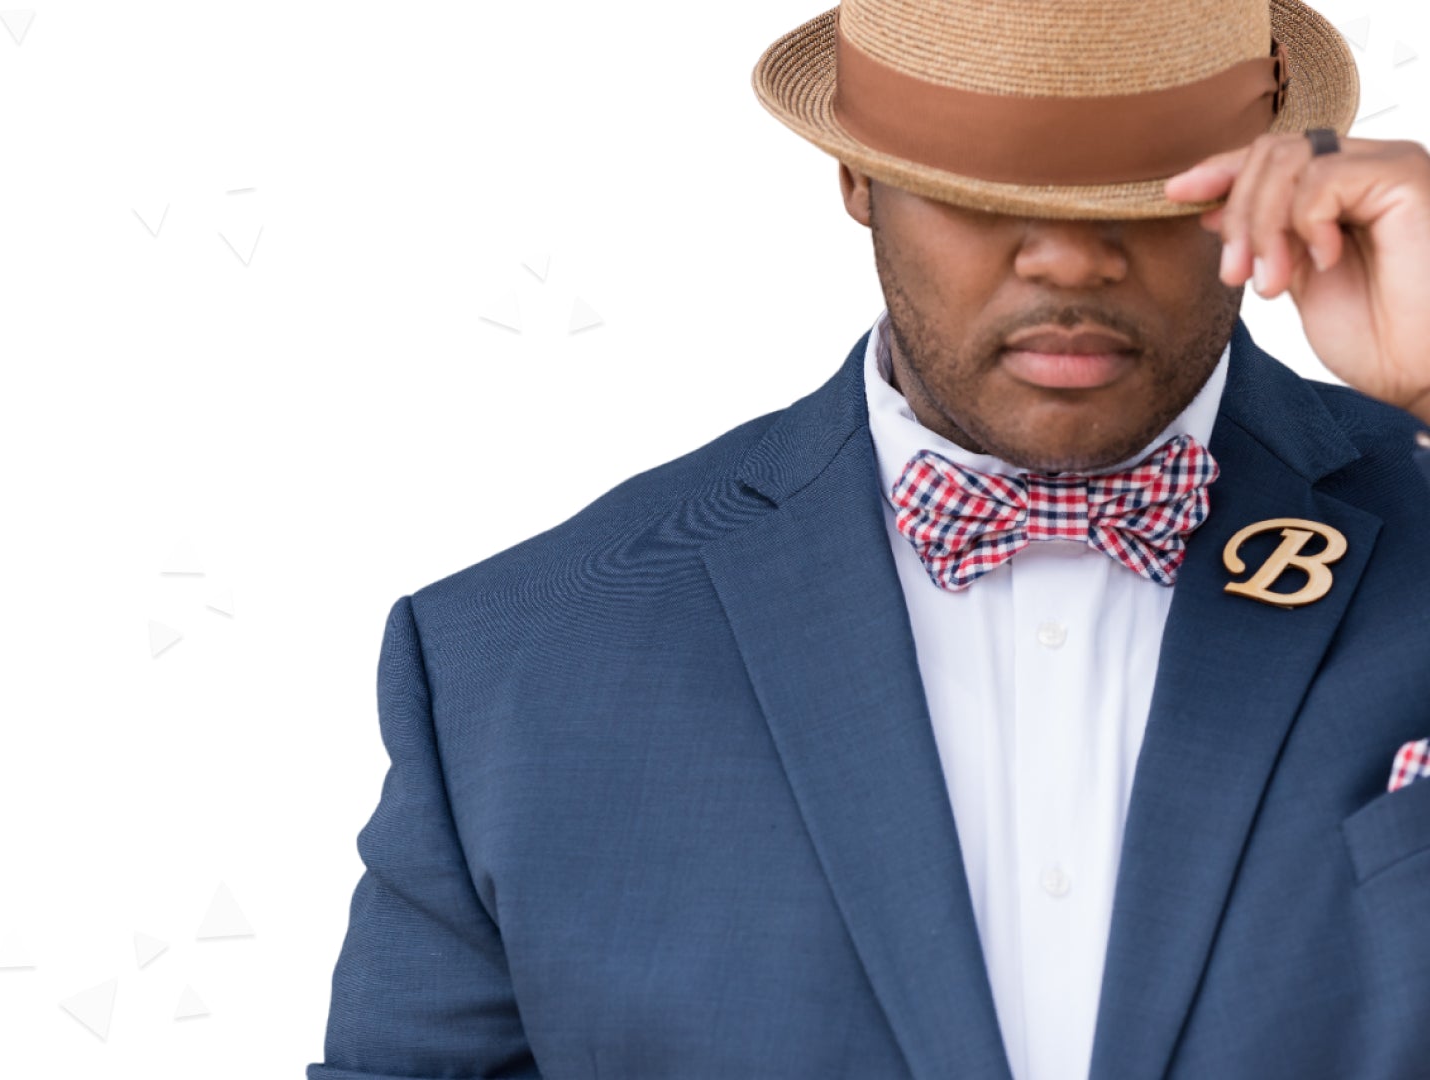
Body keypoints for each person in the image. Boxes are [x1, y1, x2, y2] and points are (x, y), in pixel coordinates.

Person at [309, 1, 1430, 1076]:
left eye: (1147, 187)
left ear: (1278, 170)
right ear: (856, 172)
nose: (1073, 259)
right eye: (986, 185)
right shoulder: (512, 666)